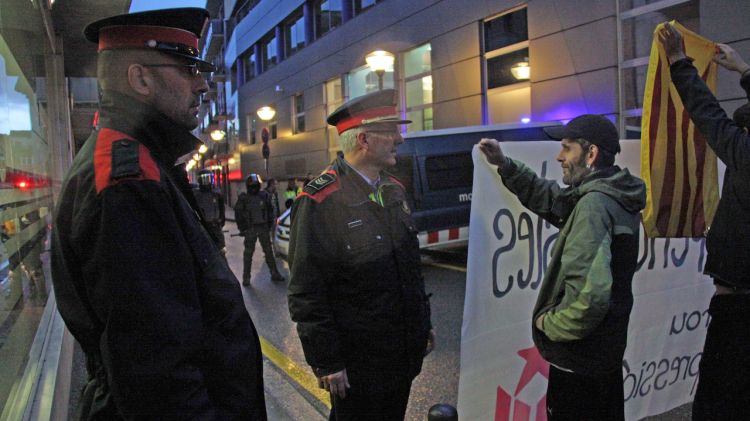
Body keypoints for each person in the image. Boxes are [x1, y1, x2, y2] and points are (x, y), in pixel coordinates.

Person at [49, 8, 266, 420]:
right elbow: (158, 373)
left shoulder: (141, 162)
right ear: (140, 79)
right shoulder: (130, 182)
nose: (201, 85)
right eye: (187, 69)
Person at [479, 114, 645, 420]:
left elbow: (590, 298)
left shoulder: (595, 205)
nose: (559, 156)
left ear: (591, 154)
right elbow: (554, 200)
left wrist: (550, 326)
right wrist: (506, 165)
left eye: (567, 148)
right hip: (602, 353)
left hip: (580, 360)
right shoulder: (607, 194)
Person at [288, 89, 435, 420]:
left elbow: (409, 269)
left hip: (400, 355)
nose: (399, 139)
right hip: (358, 364)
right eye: (391, 132)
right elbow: (306, 291)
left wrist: (422, 324)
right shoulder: (320, 200)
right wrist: (327, 361)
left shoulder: (393, 190)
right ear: (365, 139)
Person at [658, 23, 750, 420]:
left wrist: (679, 61)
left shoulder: (745, 154)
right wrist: (744, 71)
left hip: (738, 307)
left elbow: (706, 112)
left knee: (720, 401)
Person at [235, 173, 285, 285]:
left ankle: (273, 273)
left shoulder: (263, 196)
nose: (254, 187)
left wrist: (269, 224)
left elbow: (270, 210)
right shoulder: (244, 198)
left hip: (261, 227)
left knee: (267, 252)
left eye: (255, 185)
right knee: (250, 253)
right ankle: (246, 277)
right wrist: (242, 228)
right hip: (252, 228)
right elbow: (238, 214)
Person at [193, 168, 226, 254]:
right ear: (200, 180)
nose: (206, 182)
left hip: (215, 225)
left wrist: (221, 221)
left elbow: (222, 209)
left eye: (208, 178)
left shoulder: (216, 194)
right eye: (204, 179)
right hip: (203, 227)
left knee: (221, 250)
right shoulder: (196, 195)